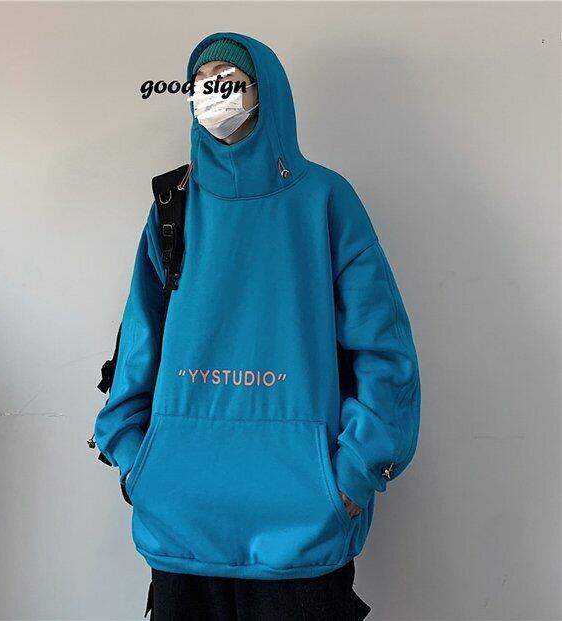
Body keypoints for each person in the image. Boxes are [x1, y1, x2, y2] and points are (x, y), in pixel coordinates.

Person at [93, 32, 421, 620]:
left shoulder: (325, 199)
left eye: (229, 79)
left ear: (265, 91)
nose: (213, 93)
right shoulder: (173, 205)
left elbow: (383, 349)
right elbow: (140, 339)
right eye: (201, 82)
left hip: (302, 529)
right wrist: (134, 458)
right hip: (180, 523)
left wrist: (355, 472)